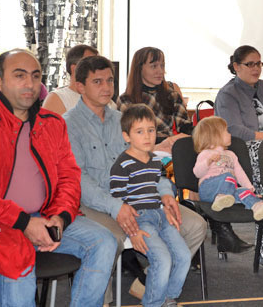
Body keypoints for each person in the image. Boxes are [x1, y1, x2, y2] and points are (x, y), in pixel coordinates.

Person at [64, 56, 207, 303]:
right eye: (97, 81)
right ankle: (104, 301)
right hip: (93, 203)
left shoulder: (122, 117)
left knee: (195, 226)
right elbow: (78, 179)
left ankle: (152, 284)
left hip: (139, 198)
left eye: (109, 80)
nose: (107, 87)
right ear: (80, 86)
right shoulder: (68, 124)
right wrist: (116, 207)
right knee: (108, 241)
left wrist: (164, 193)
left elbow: (149, 161)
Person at [0, 49, 117, 306]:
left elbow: (69, 177)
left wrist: (60, 217)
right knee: (15, 258)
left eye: (36, 76)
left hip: (44, 215)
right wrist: (24, 223)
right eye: (19, 76)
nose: (30, 84)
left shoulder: (51, 124)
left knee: (103, 242)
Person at [110, 104, 190, 307]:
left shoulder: (155, 160)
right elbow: (118, 202)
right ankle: (153, 303)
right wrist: (133, 231)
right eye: (139, 131)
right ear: (126, 136)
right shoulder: (122, 164)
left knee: (183, 256)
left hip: (159, 215)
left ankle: (169, 297)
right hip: (139, 219)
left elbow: (160, 186)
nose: (147, 136)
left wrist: (166, 207)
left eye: (151, 130)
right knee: (162, 260)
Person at [215, 45, 263, 267]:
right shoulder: (227, 94)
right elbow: (233, 130)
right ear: (236, 66)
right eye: (250, 64)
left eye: (259, 63)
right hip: (239, 150)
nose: (256, 68)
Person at [192, 116, 263, 219]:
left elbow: (239, 173)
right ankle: (221, 196)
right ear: (215, 136)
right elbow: (197, 173)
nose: (230, 134)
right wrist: (208, 161)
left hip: (229, 190)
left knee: (242, 191)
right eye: (226, 132)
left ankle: (257, 206)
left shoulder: (231, 155)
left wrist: (250, 188)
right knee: (228, 177)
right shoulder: (205, 154)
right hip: (208, 190)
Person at [117, 47, 192, 153]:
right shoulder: (126, 99)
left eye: (162, 65)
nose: (160, 71)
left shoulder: (172, 94)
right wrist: (165, 141)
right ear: (140, 69)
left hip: (170, 150)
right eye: (154, 66)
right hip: (142, 152)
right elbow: (129, 136)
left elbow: (185, 126)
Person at [42, 44, 98, 115]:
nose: (96, 70)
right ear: (74, 69)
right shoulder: (57, 99)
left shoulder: (104, 99)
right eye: (91, 64)